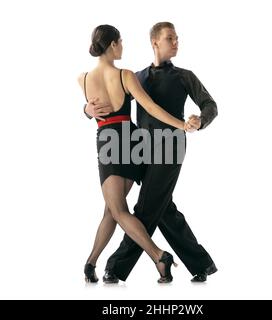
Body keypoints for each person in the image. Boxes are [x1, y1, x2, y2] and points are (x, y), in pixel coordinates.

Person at [84, 22, 218, 283]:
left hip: (170, 148)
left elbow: (210, 105)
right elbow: (114, 104)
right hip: (139, 150)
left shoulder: (184, 76)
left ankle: (116, 266)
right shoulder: (138, 76)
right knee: (163, 208)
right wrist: (87, 109)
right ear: (155, 42)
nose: (176, 42)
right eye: (171, 38)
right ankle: (201, 263)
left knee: (145, 207)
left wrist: (200, 121)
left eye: (177, 38)